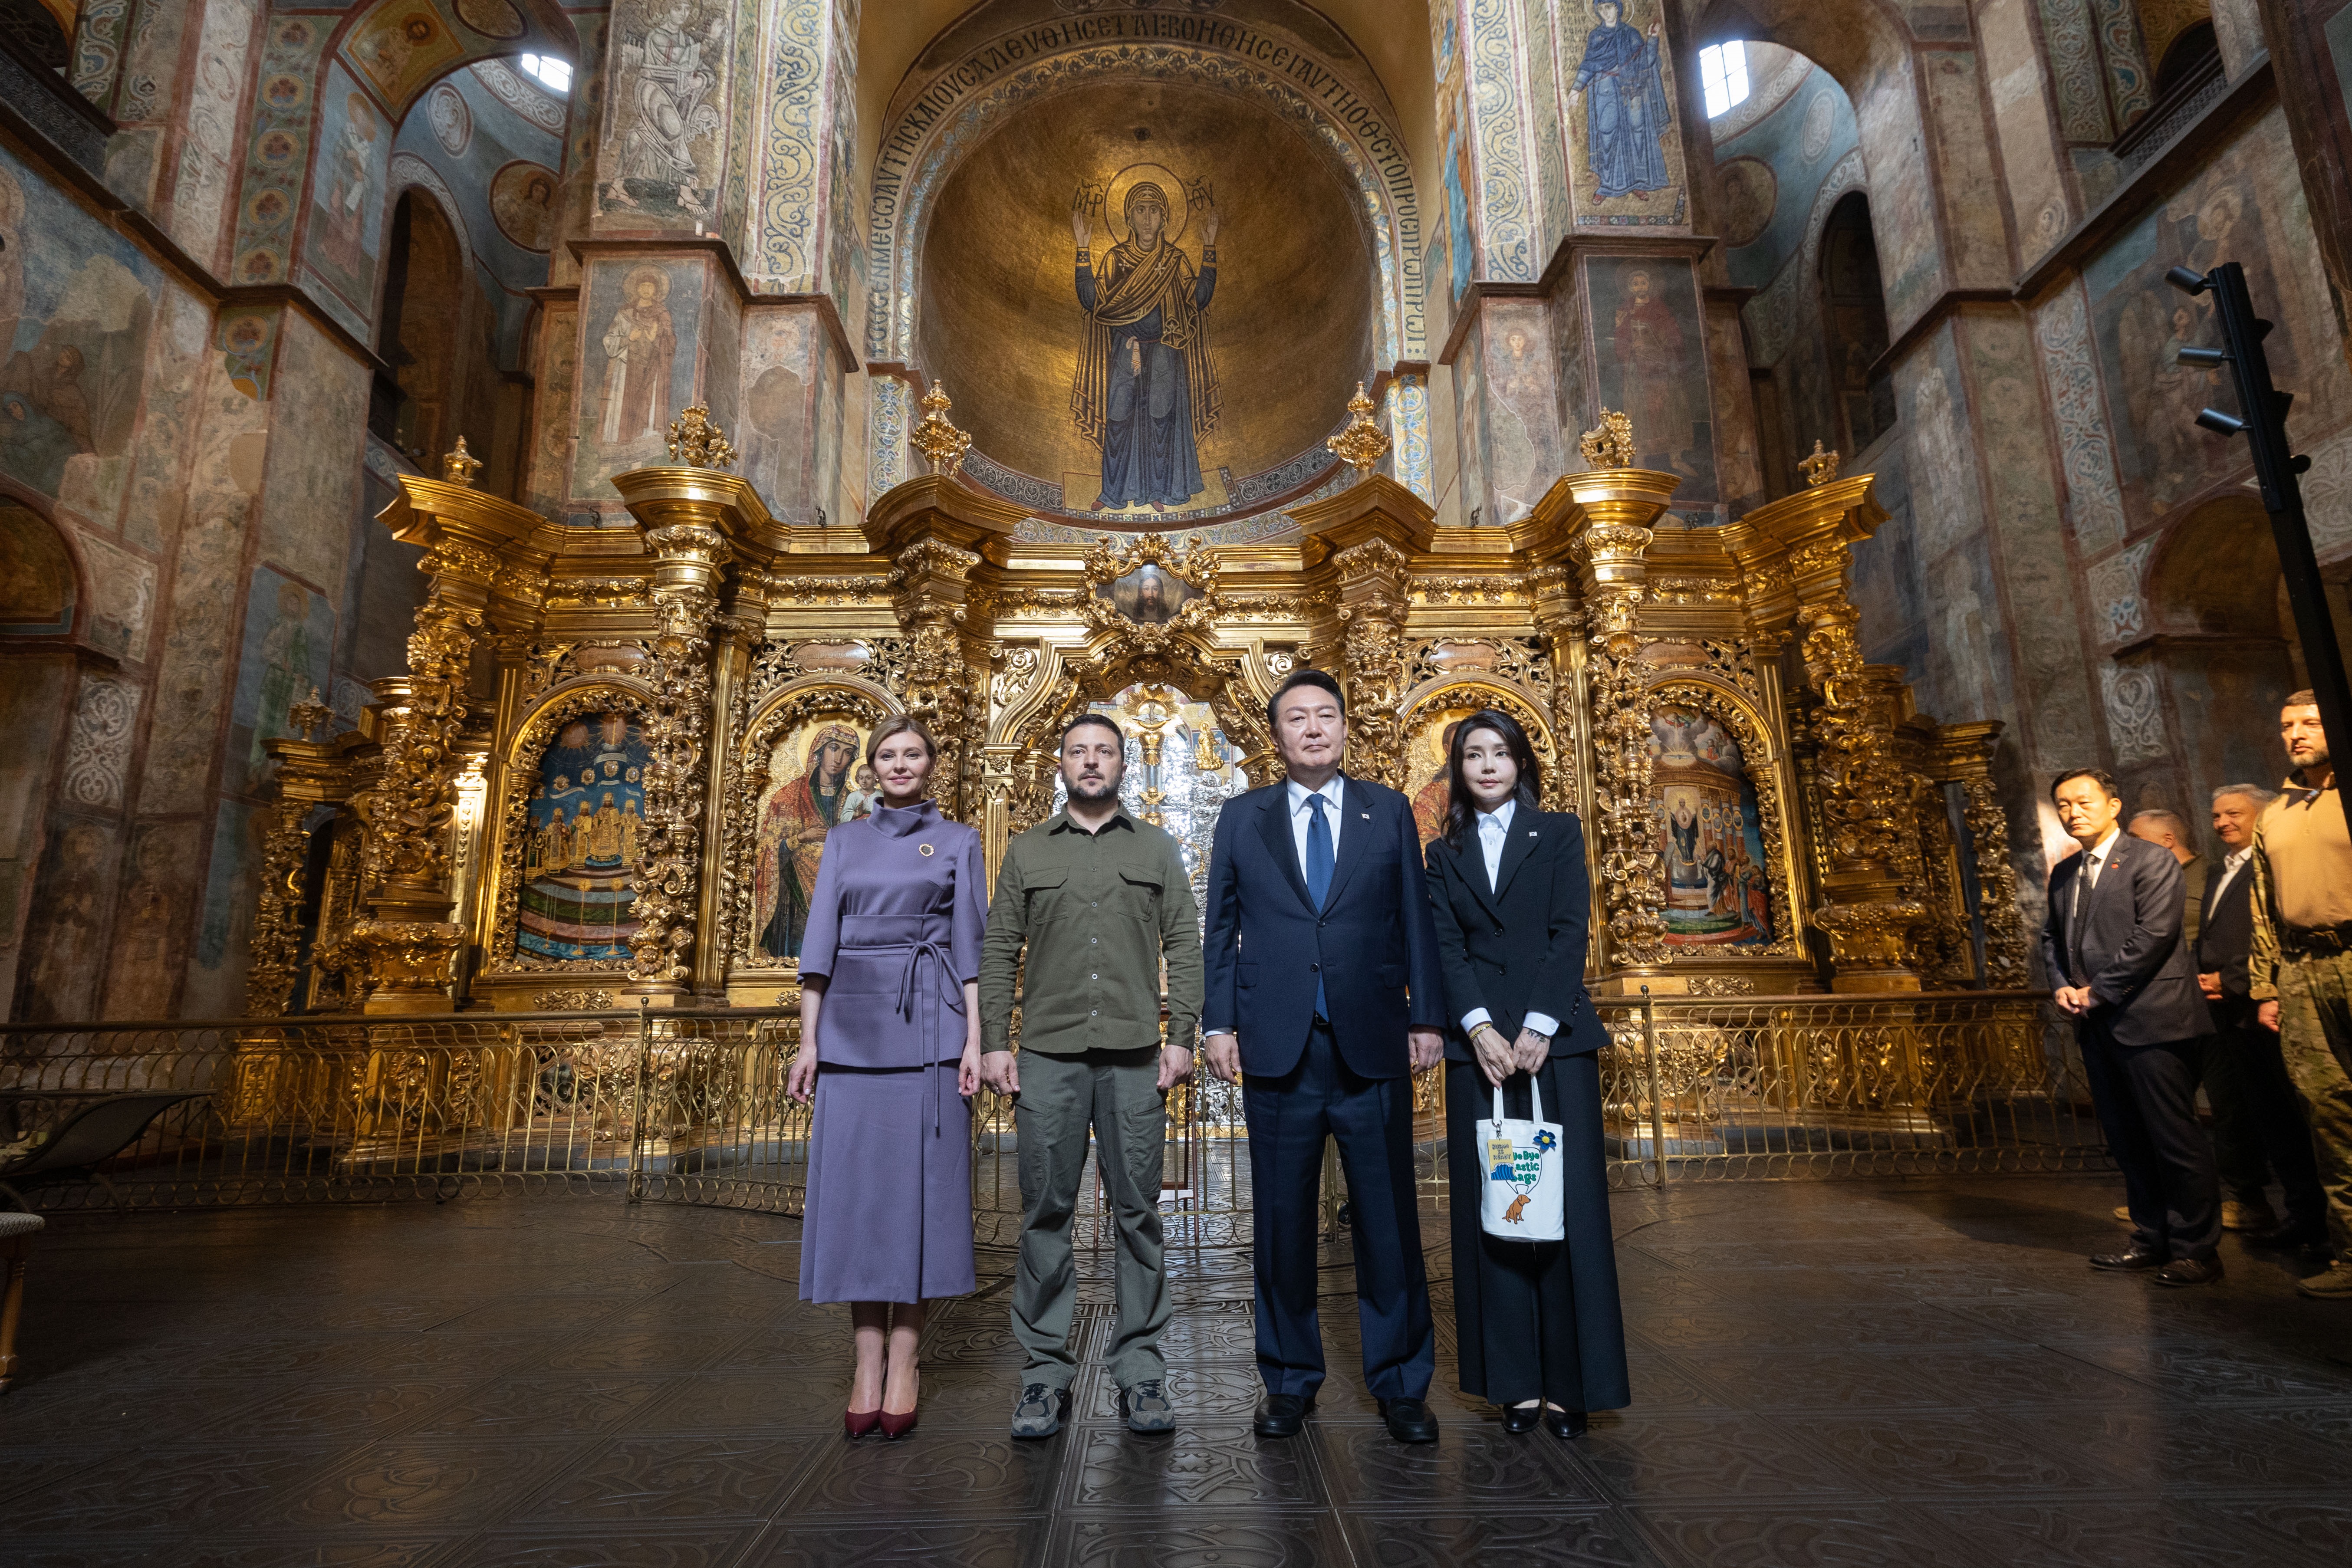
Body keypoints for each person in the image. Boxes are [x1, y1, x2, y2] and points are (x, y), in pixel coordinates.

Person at [1201, 668, 1447, 1444]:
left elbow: (1415, 916)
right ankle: (1287, 1378)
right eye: (1295, 718)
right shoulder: (1241, 817)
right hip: (1276, 1046)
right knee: (1280, 1224)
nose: (1311, 728)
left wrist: (1427, 1016)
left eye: (1324, 716)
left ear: (1344, 728)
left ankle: (1401, 1381)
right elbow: (1219, 929)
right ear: (1275, 736)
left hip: (1371, 1038)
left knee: (1388, 1222)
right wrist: (1216, 1025)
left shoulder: (1388, 812)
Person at [979, 714, 1203, 1438]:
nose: (1091, 761)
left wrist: (1180, 1036)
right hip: (1046, 1054)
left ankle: (1140, 1370)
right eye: (1078, 750)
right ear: (1060, 764)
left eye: (1104, 750)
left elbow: (1184, 945)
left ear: (1121, 765)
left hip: (1136, 1055)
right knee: (1045, 1212)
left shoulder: (1156, 847)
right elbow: (998, 949)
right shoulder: (1027, 850)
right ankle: (1044, 1374)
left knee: (1137, 1212)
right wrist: (993, 1042)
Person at [1421, 709, 1627, 1439]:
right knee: (1498, 1212)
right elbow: (1446, 946)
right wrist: (1477, 1026)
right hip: (1479, 1051)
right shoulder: (1441, 853)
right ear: (1455, 767)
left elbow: (1568, 929)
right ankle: (1512, 1384)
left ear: (1519, 764)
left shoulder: (1559, 833)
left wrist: (1538, 1025)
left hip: (1555, 1042)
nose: (1484, 765)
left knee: (1567, 1212)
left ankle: (1573, 1386)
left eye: (1498, 753)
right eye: (1471, 754)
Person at [784, 717, 987, 1437]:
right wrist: (807, 1042)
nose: (900, 764)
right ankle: (863, 1361)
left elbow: (972, 952)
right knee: (859, 1203)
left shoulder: (961, 841)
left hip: (931, 1033)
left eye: (913, 754)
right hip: (849, 1033)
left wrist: (975, 1040)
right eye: (888, 755)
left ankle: (905, 1360)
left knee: (922, 1201)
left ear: (931, 765)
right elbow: (817, 949)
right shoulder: (841, 840)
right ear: (873, 769)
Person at [2041, 768, 2221, 1285]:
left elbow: (2156, 934)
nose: (2073, 811)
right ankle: (2150, 1237)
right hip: (2096, 1025)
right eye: (2063, 804)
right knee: (2126, 1138)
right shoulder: (2064, 873)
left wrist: (2098, 990)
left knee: (2173, 1138)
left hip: (2153, 1021)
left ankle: (2197, 1249)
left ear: (2113, 805)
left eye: (2082, 801)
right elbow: (2050, 939)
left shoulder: (2151, 859)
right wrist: (2059, 984)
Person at [2249, 691, 2352, 1298]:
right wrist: (2266, 985)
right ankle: (2349, 1254)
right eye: (2286, 725)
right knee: (2329, 1115)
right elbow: (2262, 905)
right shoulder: (2276, 812)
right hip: (2304, 970)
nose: (2295, 734)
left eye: (2309, 722)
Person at [2197, 784, 2327, 1245]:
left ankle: (2322, 1224)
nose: (2221, 823)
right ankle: (2301, 1216)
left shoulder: (2270, 864)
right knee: (2268, 1119)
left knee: (2297, 1116)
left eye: (2233, 813)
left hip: (2266, 1007)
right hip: (2231, 1017)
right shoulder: (2220, 870)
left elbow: (2266, 931)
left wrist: (2230, 980)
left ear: (2264, 816)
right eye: (2215, 816)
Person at [2128, 809, 2209, 955]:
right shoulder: (2138, 881)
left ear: (2167, 841)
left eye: (2135, 839)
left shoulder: (2210, 875)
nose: (2128, 848)